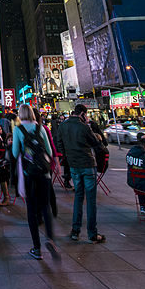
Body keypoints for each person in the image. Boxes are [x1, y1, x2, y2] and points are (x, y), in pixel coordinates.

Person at [56, 104, 106, 243]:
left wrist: (67, 157)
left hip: (73, 166)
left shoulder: (63, 126)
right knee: (90, 200)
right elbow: (97, 145)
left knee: (78, 197)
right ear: (82, 114)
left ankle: (75, 231)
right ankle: (92, 233)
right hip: (87, 165)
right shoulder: (84, 127)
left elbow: (59, 144)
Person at [12, 103, 56, 260]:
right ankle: (50, 238)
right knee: (45, 206)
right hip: (44, 173)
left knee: (31, 209)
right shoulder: (41, 128)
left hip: (29, 173)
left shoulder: (18, 130)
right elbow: (49, 151)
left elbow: (15, 152)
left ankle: (37, 248)